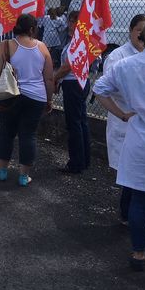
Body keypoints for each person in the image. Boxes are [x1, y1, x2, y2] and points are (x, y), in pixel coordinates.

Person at [92, 17, 145, 275]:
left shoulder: (125, 65)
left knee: (138, 200)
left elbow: (99, 88)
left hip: (138, 140)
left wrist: (122, 114)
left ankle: (138, 253)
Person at [101, 14, 145, 233]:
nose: (143, 36)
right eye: (139, 31)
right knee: (132, 178)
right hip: (125, 124)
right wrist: (122, 113)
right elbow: (104, 89)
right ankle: (130, 216)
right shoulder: (118, 57)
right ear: (130, 30)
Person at [0, 14, 54, 186]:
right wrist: (49, 99)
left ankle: (2, 171)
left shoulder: (6, 45)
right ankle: (24, 176)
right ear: (32, 29)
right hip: (36, 97)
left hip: (11, 96)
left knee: (6, 132)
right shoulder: (43, 48)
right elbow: (48, 79)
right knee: (28, 135)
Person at [54, 11, 91, 174]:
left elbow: (67, 66)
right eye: (70, 20)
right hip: (79, 82)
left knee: (75, 123)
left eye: (73, 21)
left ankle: (76, 163)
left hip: (74, 84)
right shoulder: (78, 41)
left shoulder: (77, 42)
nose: (70, 24)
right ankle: (83, 159)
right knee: (81, 121)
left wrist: (54, 78)